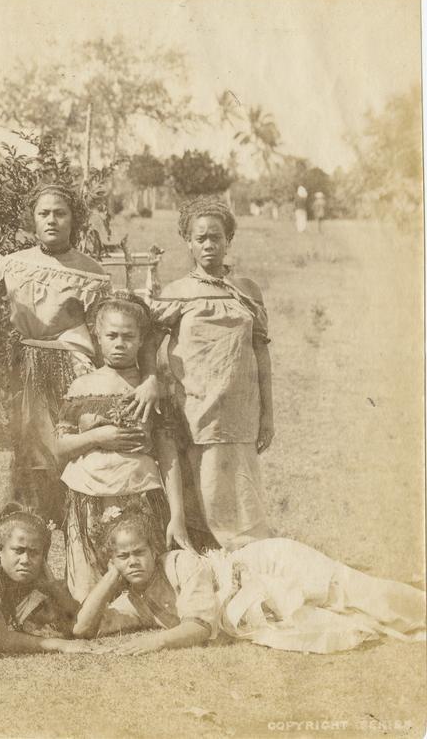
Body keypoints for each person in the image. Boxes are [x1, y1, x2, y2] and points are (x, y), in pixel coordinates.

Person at [0, 182, 160, 524]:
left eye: (61, 213)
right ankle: (32, 520)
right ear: (33, 219)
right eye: (43, 214)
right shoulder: (13, 263)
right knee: (32, 448)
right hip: (27, 363)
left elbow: (109, 327)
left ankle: (81, 511)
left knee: (76, 440)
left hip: (75, 366)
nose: (52, 220)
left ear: (75, 219)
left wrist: (148, 377)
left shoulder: (90, 271)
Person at [73, 505, 426, 654]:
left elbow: (198, 627)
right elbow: (82, 630)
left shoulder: (179, 563)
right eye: (123, 556)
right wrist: (111, 576)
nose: (133, 561)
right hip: (255, 598)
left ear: (154, 550)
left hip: (269, 565)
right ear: (112, 560)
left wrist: (155, 643)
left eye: (139, 553)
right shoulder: (134, 599)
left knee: (349, 590)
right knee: (338, 618)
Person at [150, 197, 274, 550]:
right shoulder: (176, 294)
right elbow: (148, 346)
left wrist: (268, 415)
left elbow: (261, 353)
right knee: (204, 497)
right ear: (187, 241)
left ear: (228, 240)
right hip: (196, 413)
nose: (208, 245)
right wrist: (150, 382)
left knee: (242, 496)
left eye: (215, 237)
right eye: (200, 238)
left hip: (241, 414)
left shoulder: (247, 292)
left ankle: (247, 557)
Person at [56, 293, 193, 601]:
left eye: (129, 336)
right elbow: (60, 445)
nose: (120, 343)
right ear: (97, 337)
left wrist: (177, 516)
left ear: (141, 339)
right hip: (88, 493)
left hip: (136, 488)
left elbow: (168, 454)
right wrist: (96, 438)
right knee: (88, 594)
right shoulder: (81, 386)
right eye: (112, 335)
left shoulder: (152, 390)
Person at [0, 503, 97, 654]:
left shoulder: (27, 572)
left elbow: (74, 618)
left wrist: (52, 585)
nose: (25, 559)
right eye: (19, 550)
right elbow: (2, 639)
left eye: (34, 552)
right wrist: (61, 645)